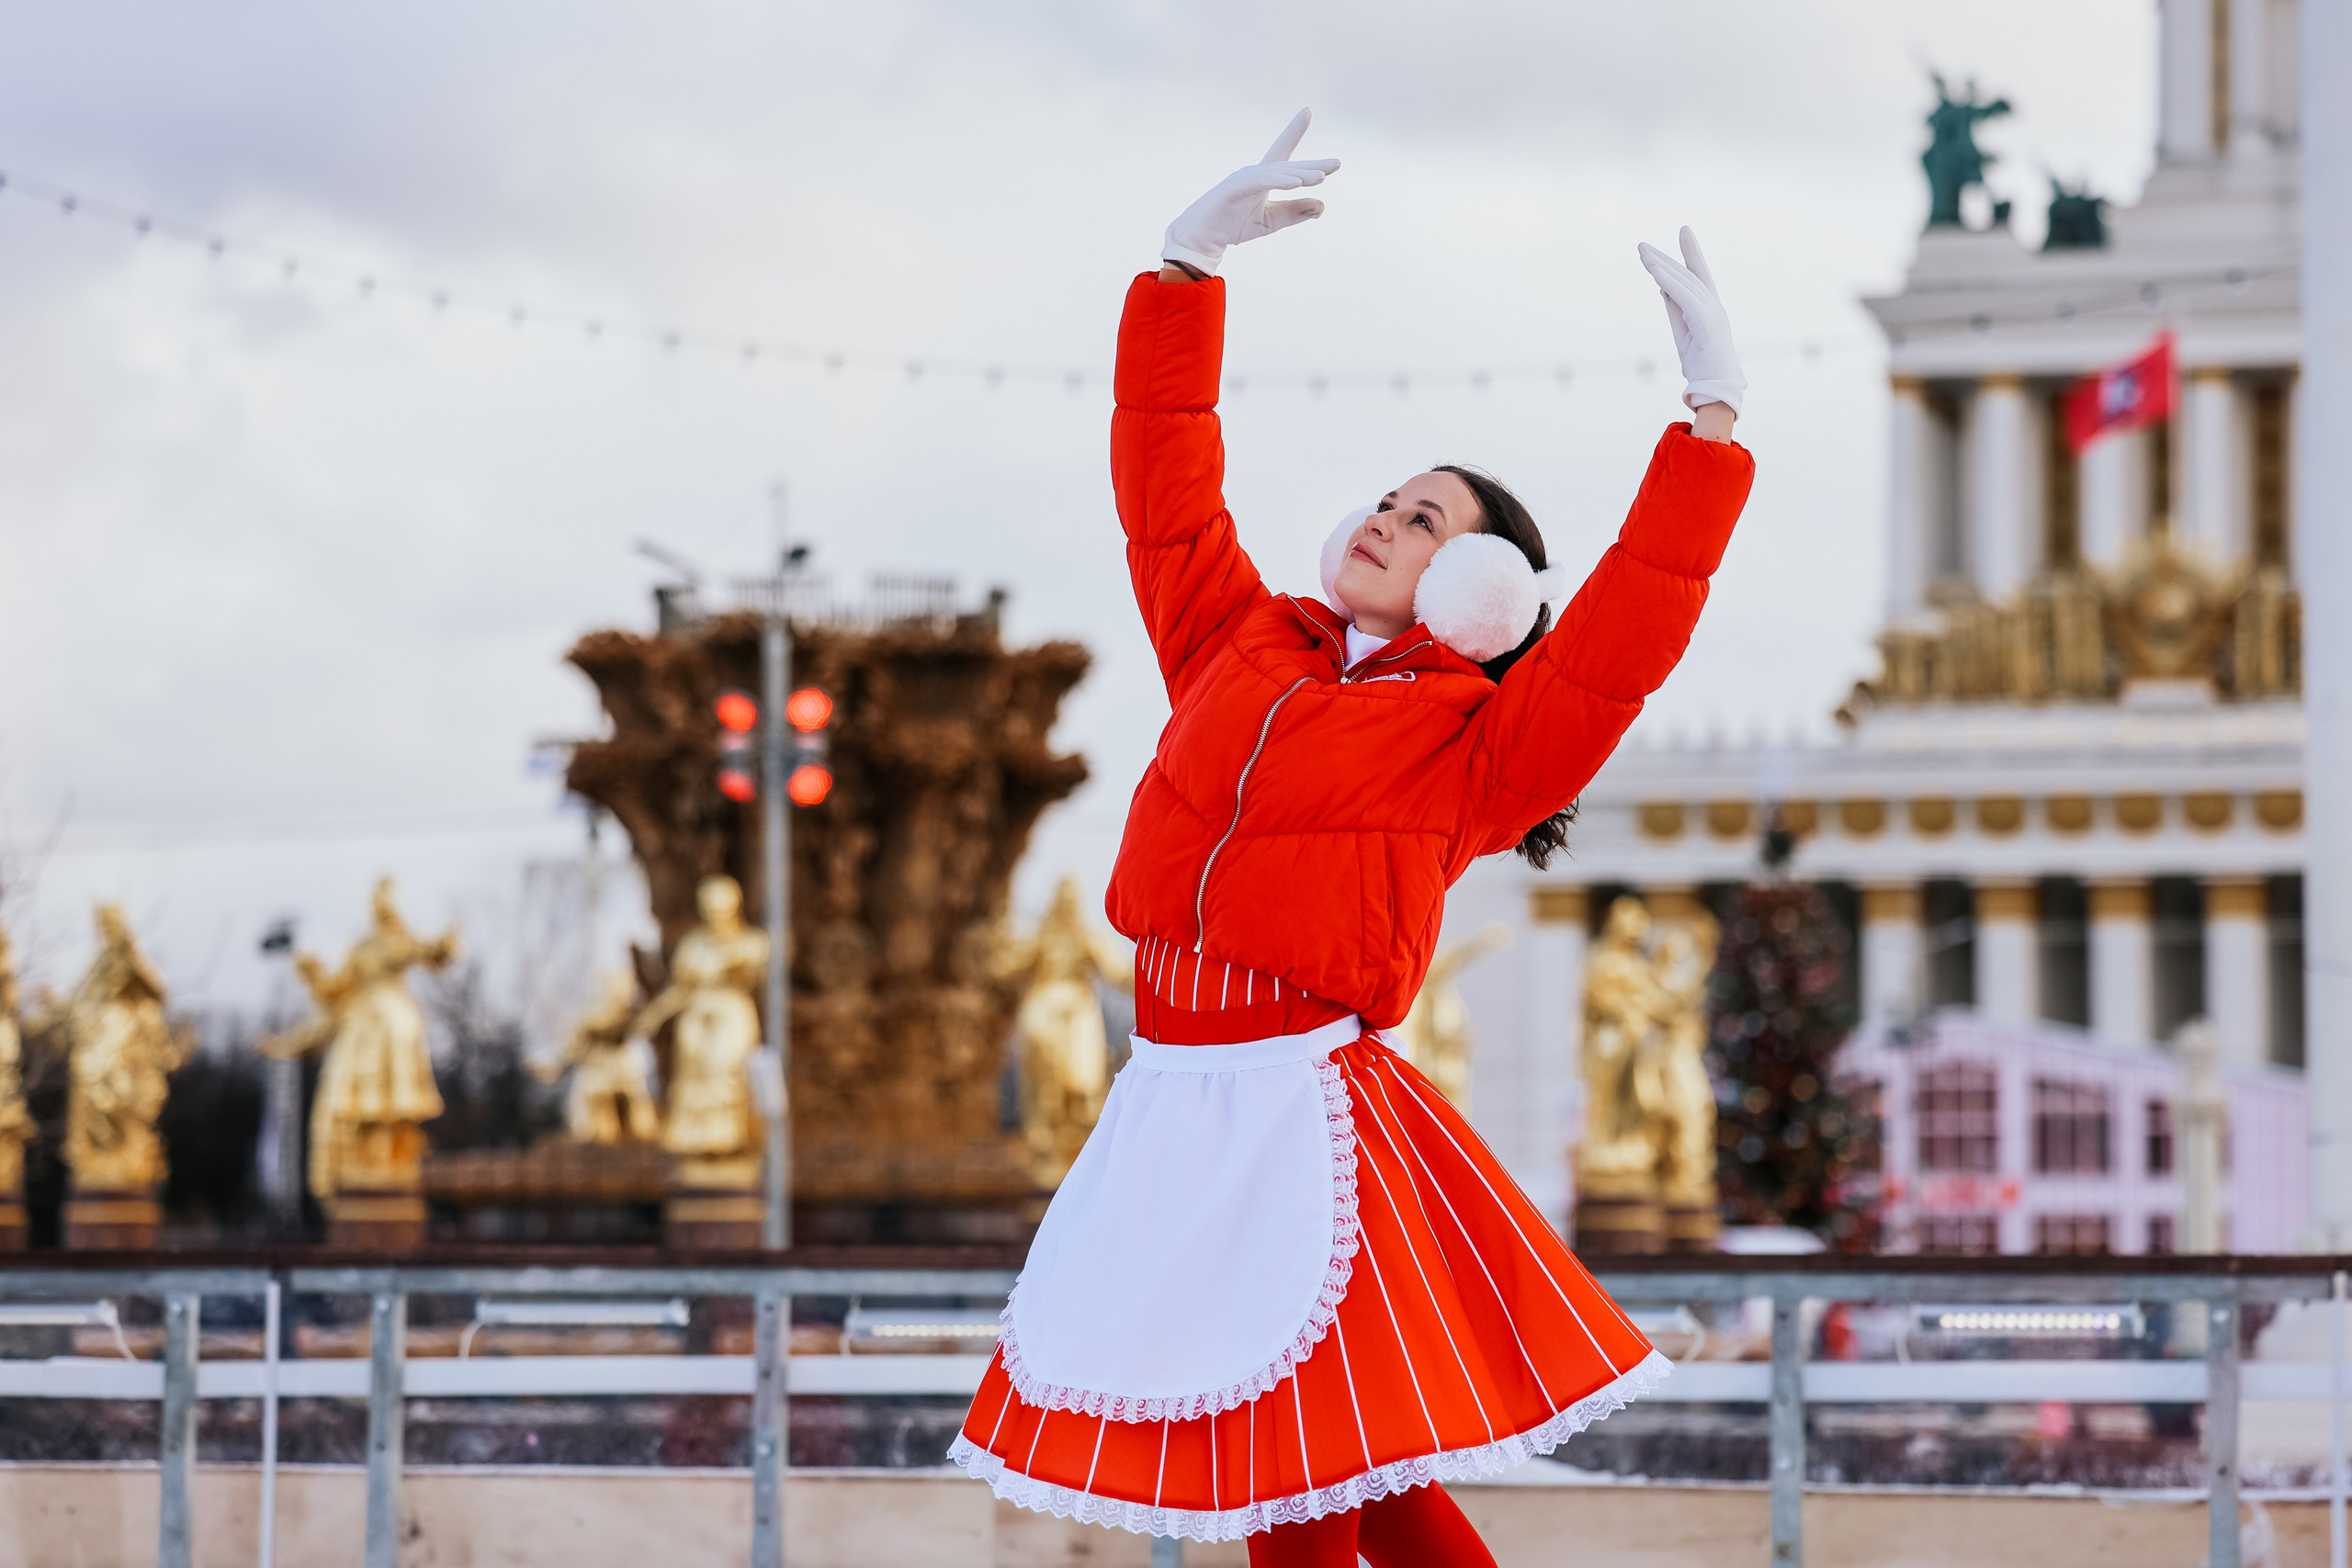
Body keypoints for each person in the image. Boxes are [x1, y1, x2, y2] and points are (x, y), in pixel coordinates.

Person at [950, 109, 1755, 1566]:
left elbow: (1627, 640)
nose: (1389, 517)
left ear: (1483, 586)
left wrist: (1708, 432)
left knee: (1309, 1470)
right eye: (1386, 499)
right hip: (1173, 1100)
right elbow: (1164, 495)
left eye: (1429, 517)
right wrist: (1185, 278)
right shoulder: (1237, 646)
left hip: (1298, 1116)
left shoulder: (1476, 742)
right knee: (1327, 1473)